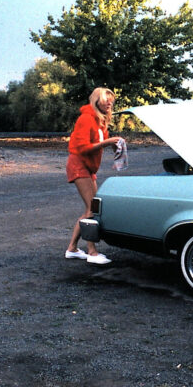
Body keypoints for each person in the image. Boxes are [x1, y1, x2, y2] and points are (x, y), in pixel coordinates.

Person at [64, 87, 121, 264]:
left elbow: (99, 143)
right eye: (106, 99)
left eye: (111, 100)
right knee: (92, 208)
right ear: (96, 101)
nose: (109, 103)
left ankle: (72, 249)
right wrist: (106, 142)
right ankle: (92, 252)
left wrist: (114, 145)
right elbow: (82, 148)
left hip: (88, 167)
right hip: (78, 164)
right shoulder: (86, 118)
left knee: (93, 208)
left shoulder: (100, 122)